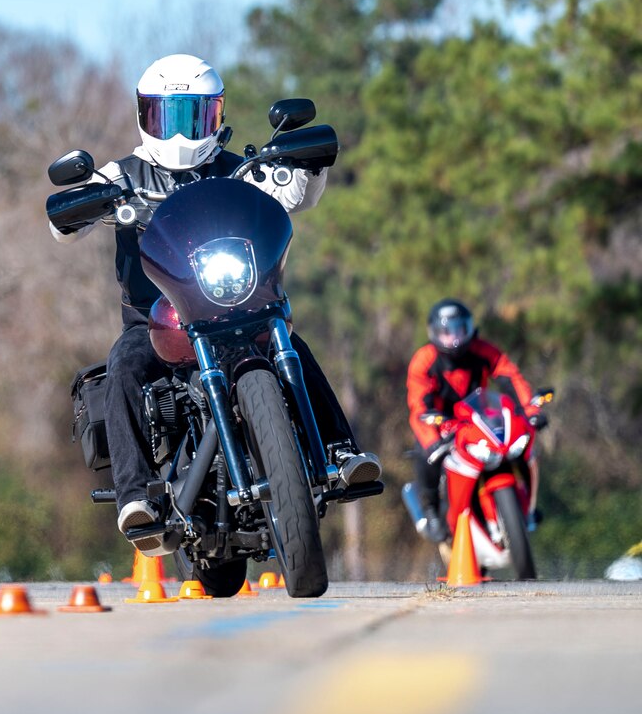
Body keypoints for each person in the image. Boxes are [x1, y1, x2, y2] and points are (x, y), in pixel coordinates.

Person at [50, 53, 381, 555]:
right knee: (121, 365)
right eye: (169, 116)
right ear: (146, 117)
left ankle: (340, 451)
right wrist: (78, 207)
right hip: (158, 320)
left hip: (237, 307)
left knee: (292, 344)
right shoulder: (121, 174)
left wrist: (308, 164)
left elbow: (294, 192)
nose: (182, 133)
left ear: (216, 115)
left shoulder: (241, 169)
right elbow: (63, 225)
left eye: (195, 116)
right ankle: (136, 497)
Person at [406, 298, 544, 542]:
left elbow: (511, 378)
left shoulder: (484, 350)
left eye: (459, 330)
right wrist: (432, 440)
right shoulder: (424, 360)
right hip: (442, 424)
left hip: (479, 420)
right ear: (435, 334)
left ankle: (527, 503)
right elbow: (419, 406)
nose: (454, 338)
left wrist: (530, 412)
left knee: (519, 445)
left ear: (469, 328)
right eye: (447, 332)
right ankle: (431, 511)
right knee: (425, 455)